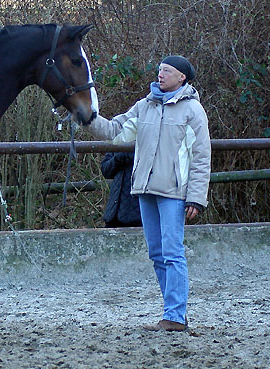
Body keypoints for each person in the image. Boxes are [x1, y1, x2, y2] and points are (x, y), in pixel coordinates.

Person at [83, 55, 211, 331]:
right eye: (160, 70)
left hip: (174, 194)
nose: (160, 74)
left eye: (167, 71)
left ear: (182, 78)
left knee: (173, 253)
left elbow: (201, 158)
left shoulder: (193, 112)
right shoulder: (145, 105)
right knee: (157, 253)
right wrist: (87, 118)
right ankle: (173, 312)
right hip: (145, 190)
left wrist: (197, 198)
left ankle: (175, 315)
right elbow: (115, 131)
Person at [101, 152, 142, 228]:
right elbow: (106, 170)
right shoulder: (119, 142)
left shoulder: (149, 142)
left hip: (137, 214)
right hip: (114, 212)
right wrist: (118, 158)